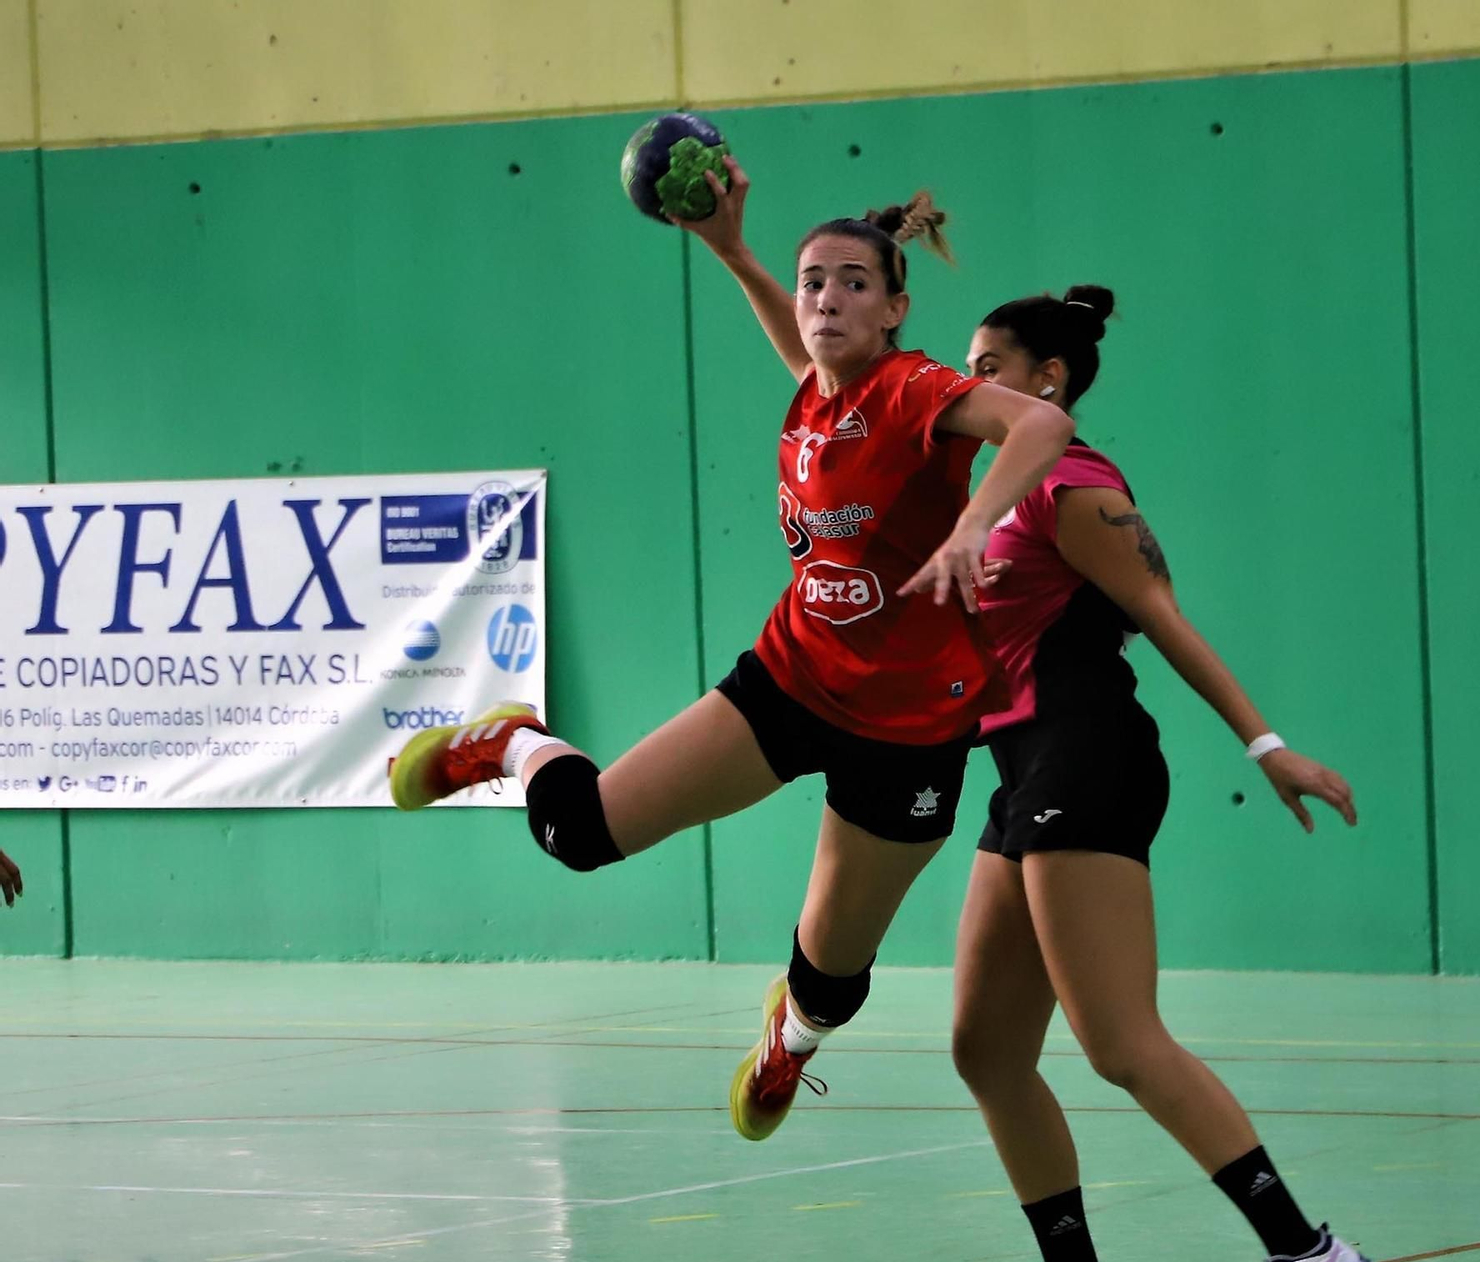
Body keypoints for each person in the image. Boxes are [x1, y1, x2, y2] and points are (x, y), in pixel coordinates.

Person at [388, 158, 1074, 1144]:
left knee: (830, 982)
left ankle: (788, 1043)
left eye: (851, 283)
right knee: (577, 834)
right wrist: (729, 250)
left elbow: (1039, 422)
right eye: (811, 283)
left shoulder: (916, 389)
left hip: (911, 731)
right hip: (792, 678)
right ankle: (509, 743)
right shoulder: (813, 400)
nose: (825, 298)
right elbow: (802, 353)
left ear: (894, 308)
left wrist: (971, 525)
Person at [948, 287, 1370, 1262]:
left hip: (1085, 750)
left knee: (1119, 1040)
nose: (965, 381)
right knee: (984, 1049)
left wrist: (1265, 744)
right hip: (1018, 771)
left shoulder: (1073, 484)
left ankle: (1306, 1251)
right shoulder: (981, 494)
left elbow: (1166, 617)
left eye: (988, 363)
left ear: (1048, 381)